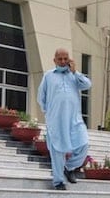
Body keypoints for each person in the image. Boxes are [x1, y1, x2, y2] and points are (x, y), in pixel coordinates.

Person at [37, 48, 92, 190]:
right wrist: (48, 113)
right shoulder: (48, 76)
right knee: (57, 151)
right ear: (54, 60)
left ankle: (69, 167)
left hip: (74, 119)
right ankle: (58, 181)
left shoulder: (74, 76)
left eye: (65, 58)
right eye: (60, 59)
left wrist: (75, 71)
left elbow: (87, 84)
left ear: (69, 59)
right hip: (56, 120)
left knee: (83, 144)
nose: (63, 61)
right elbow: (41, 97)